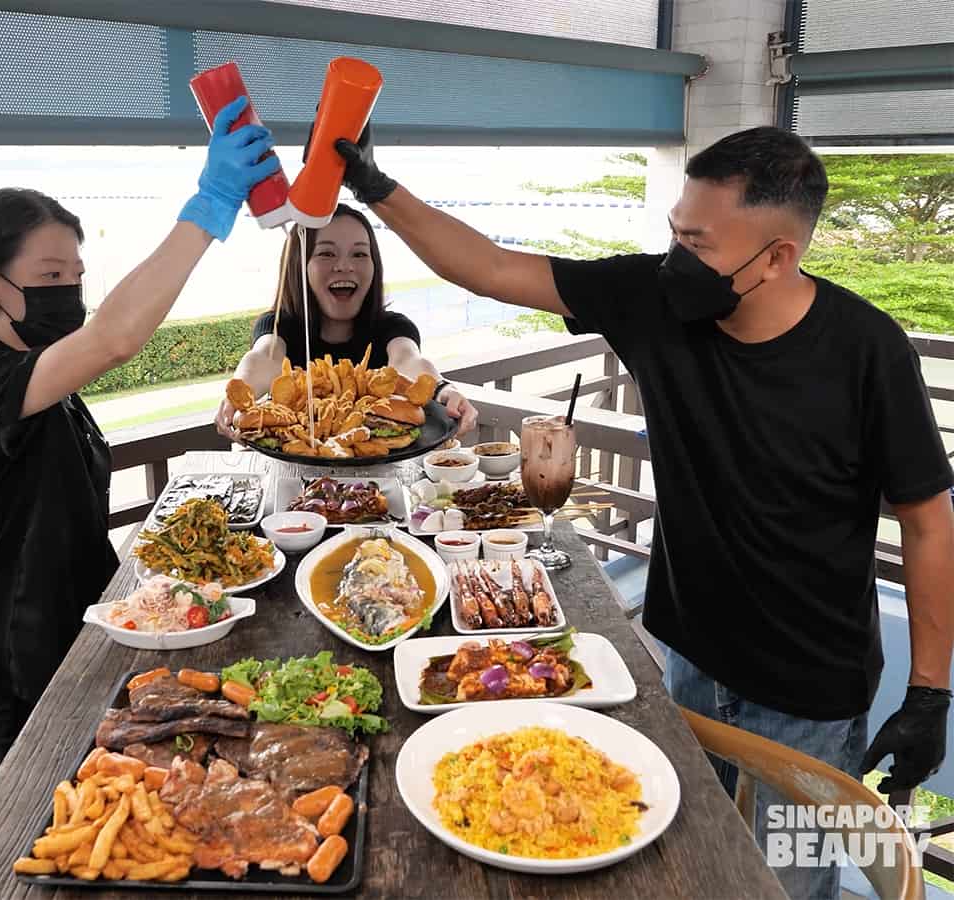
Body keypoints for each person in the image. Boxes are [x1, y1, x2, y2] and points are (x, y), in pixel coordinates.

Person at [324, 124, 954, 900]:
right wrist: (379, 190)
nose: (677, 257)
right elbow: (489, 267)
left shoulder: (868, 351)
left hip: (810, 688)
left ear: (779, 257)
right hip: (686, 653)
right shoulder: (654, 298)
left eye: (698, 241)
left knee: (785, 885)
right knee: (685, 862)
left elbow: (928, 521)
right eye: (674, 232)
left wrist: (930, 692)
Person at [0, 97, 279, 764]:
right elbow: (117, 337)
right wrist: (209, 207)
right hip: (20, 658)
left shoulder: (50, 383)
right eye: (49, 276)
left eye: (75, 275)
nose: (68, 290)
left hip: (87, 629)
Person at [215, 203, 478, 438]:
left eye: (360, 254)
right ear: (300, 265)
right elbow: (264, 357)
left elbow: (408, 361)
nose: (344, 266)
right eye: (326, 254)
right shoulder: (280, 325)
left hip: (382, 476)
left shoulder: (393, 327)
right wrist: (238, 392)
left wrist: (444, 389)